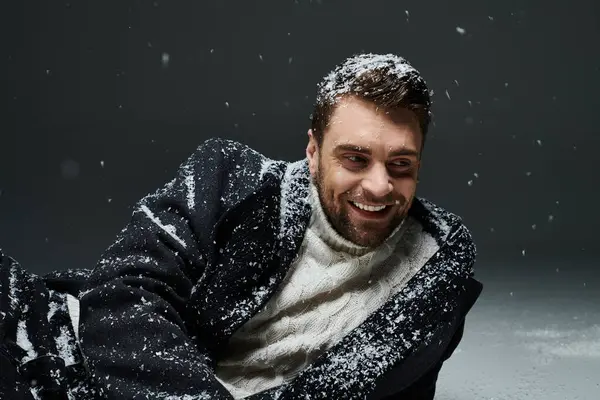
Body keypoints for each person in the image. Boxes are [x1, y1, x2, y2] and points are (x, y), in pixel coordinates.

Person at [0, 53, 483, 399]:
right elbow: (124, 294)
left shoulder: (433, 265)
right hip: (69, 347)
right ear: (313, 152)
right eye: (355, 159)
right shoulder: (232, 177)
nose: (379, 186)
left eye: (401, 165)